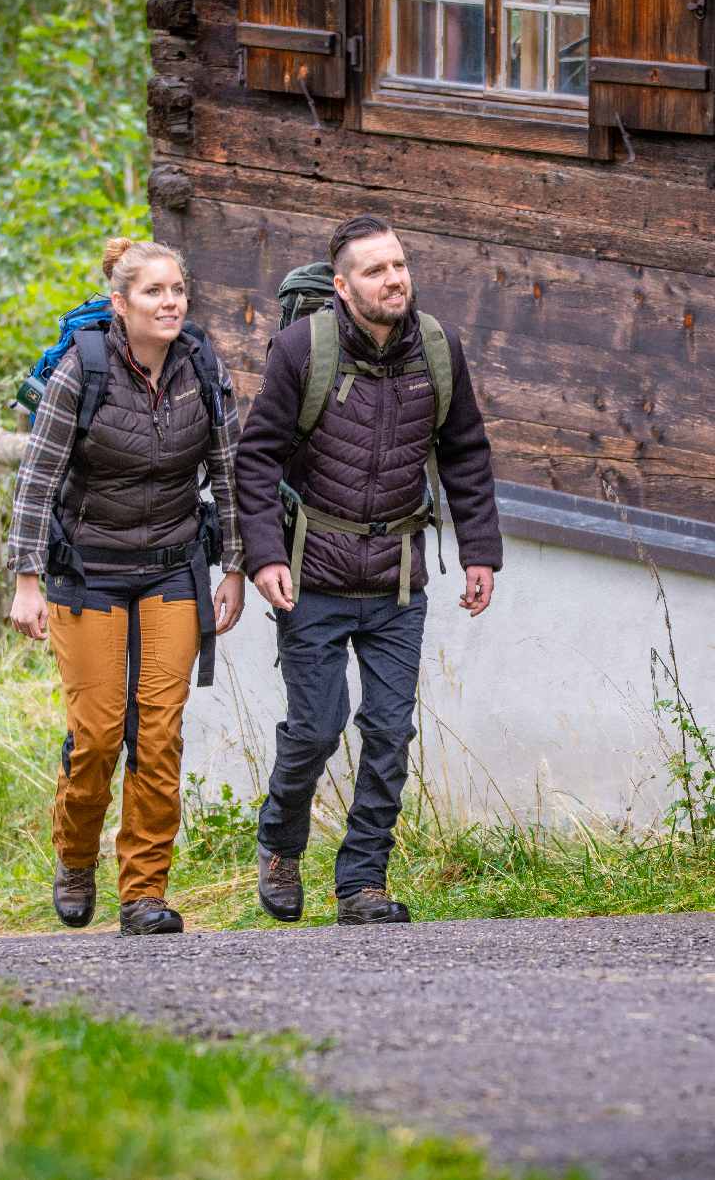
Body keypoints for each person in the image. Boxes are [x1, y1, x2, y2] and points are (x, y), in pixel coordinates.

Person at [235, 215, 502, 926]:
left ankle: (361, 882)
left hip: (397, 577)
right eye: (378, 271)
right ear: (344, 288)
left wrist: (480, 551)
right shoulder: (301, 350)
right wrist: (262, 556)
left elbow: (466, 451)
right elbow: (256, 457)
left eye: (400, 265)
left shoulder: (438, 350)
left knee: (389, 731)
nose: (396, 279)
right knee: (317, 728)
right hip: (312, 572)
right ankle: (281, 843)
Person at [7, 238, 245, 936]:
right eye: (154, 292)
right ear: (121, 303)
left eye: (177, 290)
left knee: (158, 733)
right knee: (98, 735)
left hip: (172, 568)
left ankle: (144, 892)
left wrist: (232, 565)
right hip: (87, 571)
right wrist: (26, 581)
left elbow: (229, 474)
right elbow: (37, 479)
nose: (170, 302)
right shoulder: (82, 371)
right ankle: (75, 856)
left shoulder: (202, 368)